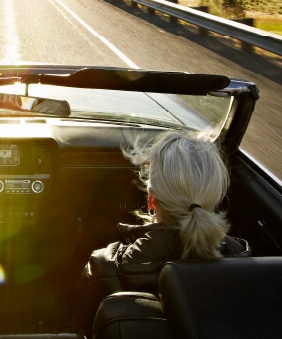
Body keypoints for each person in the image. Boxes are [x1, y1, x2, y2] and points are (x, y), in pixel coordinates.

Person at [79, 132, 249, 320]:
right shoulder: (242, 257)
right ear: (215, 199)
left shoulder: (105, 267)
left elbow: (82, 321)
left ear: (151, 200)